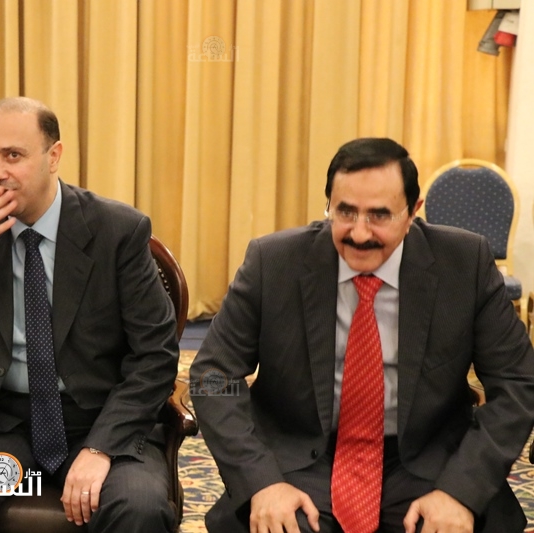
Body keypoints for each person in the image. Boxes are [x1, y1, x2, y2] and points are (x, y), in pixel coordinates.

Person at [190, 137, 534, 533]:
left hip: (427, 459)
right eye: (345, 211)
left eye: (379, 215)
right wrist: (261, 481)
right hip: (300, 459)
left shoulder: (464, 264)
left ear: (413, 212)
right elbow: (212, 376)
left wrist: (461, 491)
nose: (359, 232)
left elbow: (517, 383)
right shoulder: (274, 263)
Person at [0, 96, 179, 532]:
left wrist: (100, 448)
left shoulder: (117, 231)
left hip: (98, 421)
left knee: (139, 508)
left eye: (13, 156)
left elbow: (156, 355)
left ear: (53, 156)